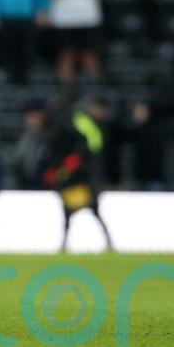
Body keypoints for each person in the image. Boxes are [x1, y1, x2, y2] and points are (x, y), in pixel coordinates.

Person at [43, 96, 113, 252]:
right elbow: (92, 146)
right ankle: (106, 241)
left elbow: (88, 147)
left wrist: (66, 167)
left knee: (84, 210)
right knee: (86, 210)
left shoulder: (76, 122)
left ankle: (67, 243)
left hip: (77, 175)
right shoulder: (80, 122)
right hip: (77, 175)